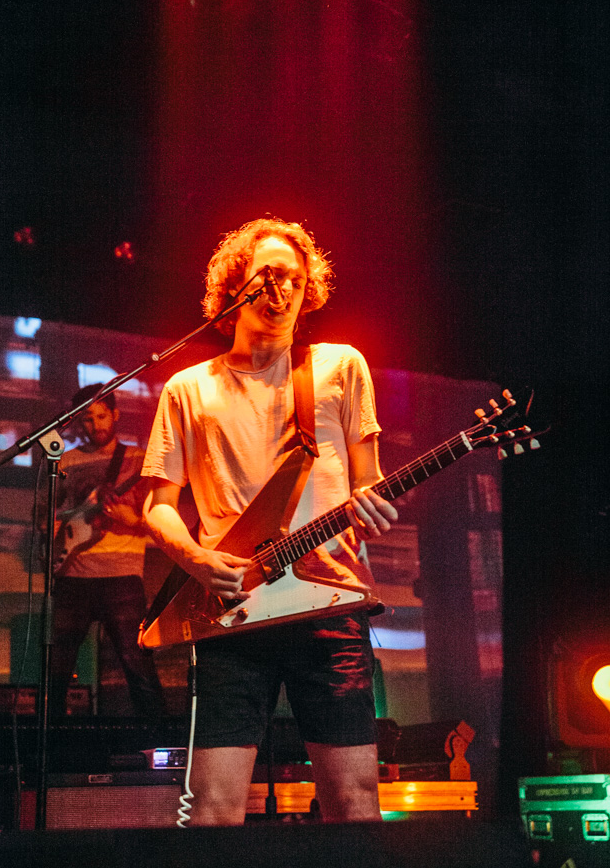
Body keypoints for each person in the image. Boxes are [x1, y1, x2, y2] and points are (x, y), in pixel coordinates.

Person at [142, 218, 398, 823]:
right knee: (211, 806)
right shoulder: (187, 388)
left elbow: (369, 480)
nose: (283, 292)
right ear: (234, 286)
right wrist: (198, 560)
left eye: (295, 280)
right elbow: (157, 506)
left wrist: (373, 503)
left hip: (328, 606)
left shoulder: (339, 368)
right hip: (231, 612)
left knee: (354, 799)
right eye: (268, 277)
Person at [49, 384, 164, 717]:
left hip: (122, 574)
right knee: (58, 668)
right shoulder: (66, 460)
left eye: (101, 416)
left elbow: (158, 521)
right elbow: (48, 512)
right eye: (87, 419)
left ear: (115, 415)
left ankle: (156, 741)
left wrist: (133, 519)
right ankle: (51, 747)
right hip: (72, 571)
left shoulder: (139, 461)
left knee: (137, 663)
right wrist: (55, 528)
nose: (96, 425)